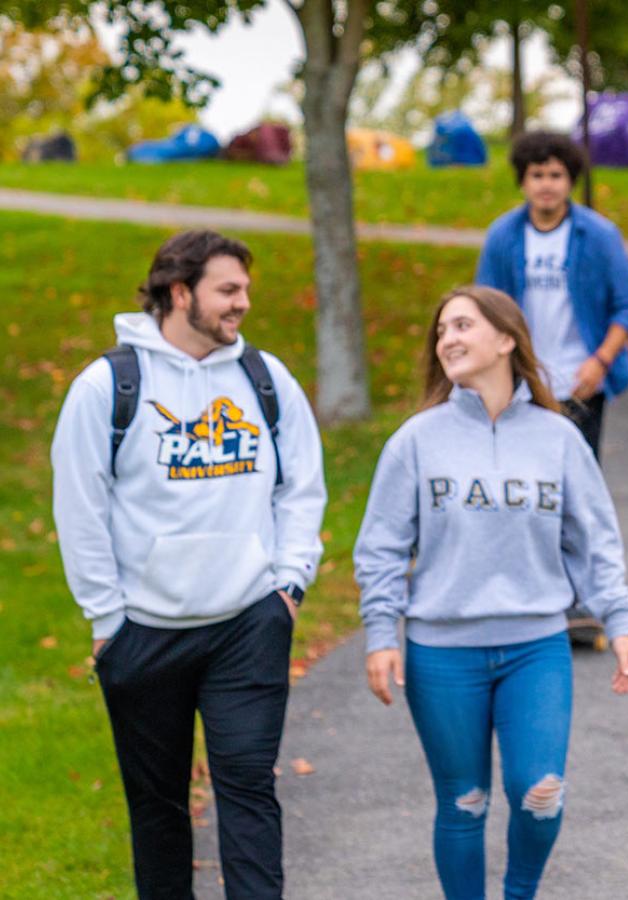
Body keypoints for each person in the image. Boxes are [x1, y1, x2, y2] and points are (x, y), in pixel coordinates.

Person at [51, 230, 327, 899]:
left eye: (245, 291)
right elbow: (80, 510)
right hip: (143, 634)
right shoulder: (107, 386)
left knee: (249, 794)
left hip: (246, 626)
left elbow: (303, 488)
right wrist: (108, 619)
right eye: (228, 290)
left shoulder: (266, 378)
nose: (243, 305)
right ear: (180, 292)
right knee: (158, 811)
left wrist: (287, 585)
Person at [354, 285, 628, 900]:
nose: (448, 339)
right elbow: (380, 547)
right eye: (441, 331)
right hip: (441, 652)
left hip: (535, 645)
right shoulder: (415, 441)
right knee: (464, 802)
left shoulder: (557, 437)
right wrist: (382, 635)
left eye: (462, 325)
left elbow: (593, 539)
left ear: (507, 338)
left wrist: (619, 619)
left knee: (540, 792)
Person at [474, 130, 628, 462]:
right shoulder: (502, 236)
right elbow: (485, 309)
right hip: (521, 384)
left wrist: (600, 361)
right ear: (523, 181)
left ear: (570, 180)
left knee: (577, 482)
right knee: (523, 479)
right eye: (537, 175)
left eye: (556, 175)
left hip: (580, 382)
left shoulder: (599, 235)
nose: (546, 185)